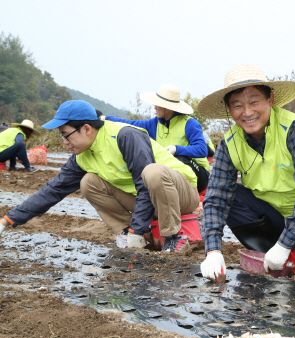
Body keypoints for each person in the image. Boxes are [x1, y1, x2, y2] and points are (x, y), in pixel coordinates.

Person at [198, 63, 295, 281]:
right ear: (230, 109)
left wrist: (285, 243)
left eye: (254, 102)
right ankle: (272, 254)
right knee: (232, 196)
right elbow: (216, 198)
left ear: (271, 100)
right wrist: (213, 251)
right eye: (237, 105)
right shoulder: (229, 142)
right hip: (277, 219)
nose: (247, 113)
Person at [0, 100, 200, 253]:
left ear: (86, 128)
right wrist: (7, 220)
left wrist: (136, 229)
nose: (64, 143)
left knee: (152, 172)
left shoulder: (124, 136)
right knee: (88, 183)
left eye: (65, 135)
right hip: (149, 200)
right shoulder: (81, 156)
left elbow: (145, 184)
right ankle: (130, 235)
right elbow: (52, 191)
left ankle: (173, 237)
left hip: (180, 195)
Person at [105, 84, 210, 192]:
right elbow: (132, 123)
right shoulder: (155, 123)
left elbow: (202, 150)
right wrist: (107, 119)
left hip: (198, 175)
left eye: (158, 104)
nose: (154, 107)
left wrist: (177, 149)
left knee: (180, 158)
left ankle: (189, 194)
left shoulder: (189, 124)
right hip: (172, 172)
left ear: (168, 107)